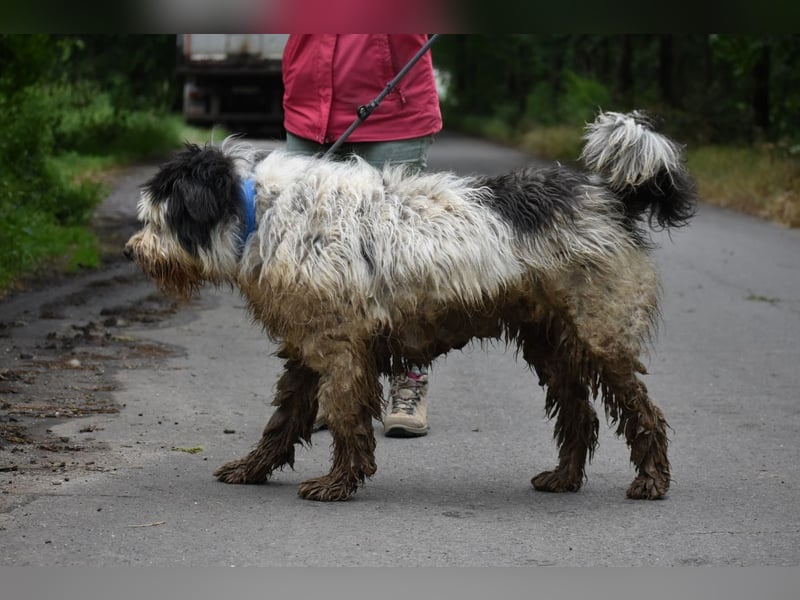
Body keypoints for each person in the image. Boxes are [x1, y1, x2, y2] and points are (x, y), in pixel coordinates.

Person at [281, 34, 442, 437]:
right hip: (308, 109)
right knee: (309, 266)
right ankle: (326, 386)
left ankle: (409, 379)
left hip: (395, 109)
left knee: (398, 260)